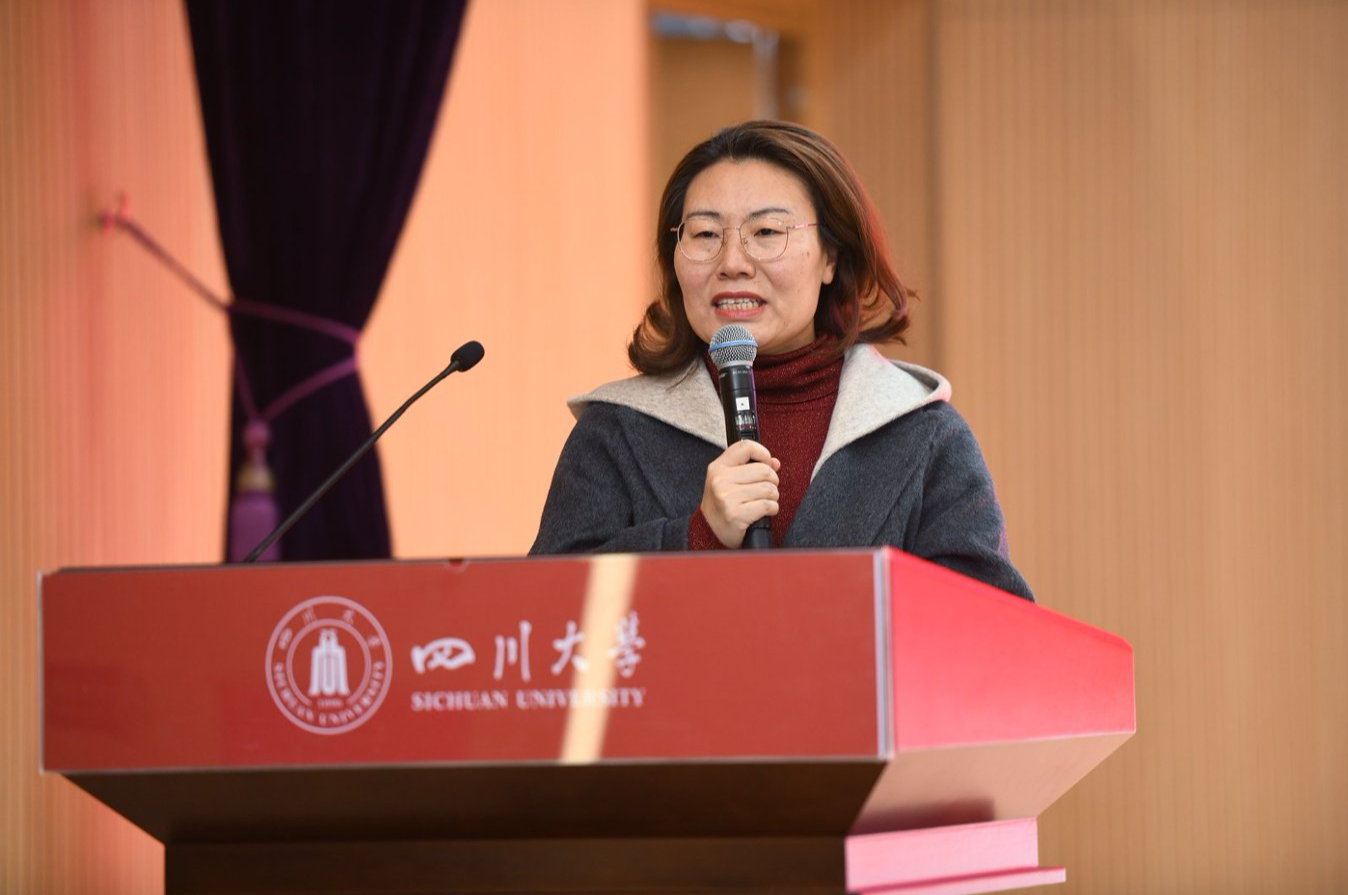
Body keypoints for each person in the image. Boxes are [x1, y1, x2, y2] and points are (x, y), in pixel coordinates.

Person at [529, 121, 1032, 601]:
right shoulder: (616, 432)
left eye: (767, 231)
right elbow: (541, 614)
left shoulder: (923, 434)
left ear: (831, 257)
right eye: (704, 234)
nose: (732, 262)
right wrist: (696, 537)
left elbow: (992, 629)